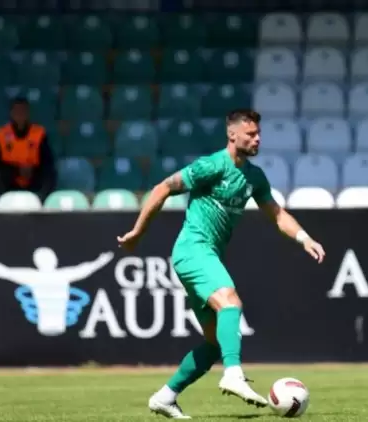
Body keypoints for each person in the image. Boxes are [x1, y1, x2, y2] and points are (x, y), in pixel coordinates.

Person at [117, 109, 326, 419]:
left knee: (215, 343)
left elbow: (277, 214)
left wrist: (304, 238)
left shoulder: (254, 176)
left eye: (258, 133)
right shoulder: (211, 166)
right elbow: (163, 188)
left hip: (206, 254)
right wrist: (137, 232)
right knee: (230, 302)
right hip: (193, 250)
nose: (258, 139)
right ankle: (233, 374)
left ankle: (165, 397)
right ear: (232, 135)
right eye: (251, 134)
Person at [0, 97, 56, 201]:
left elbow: (47, 162)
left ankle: (41, 200)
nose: (20, 115)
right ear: (11, 113)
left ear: (28, 113)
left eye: (23, 111)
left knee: (49, 174)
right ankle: (3, 201)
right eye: (17, 111)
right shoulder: (1, 135)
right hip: (11, 179)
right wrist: (18, 170)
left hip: (34, 177)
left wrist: (30, 169)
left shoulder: (39, 133)